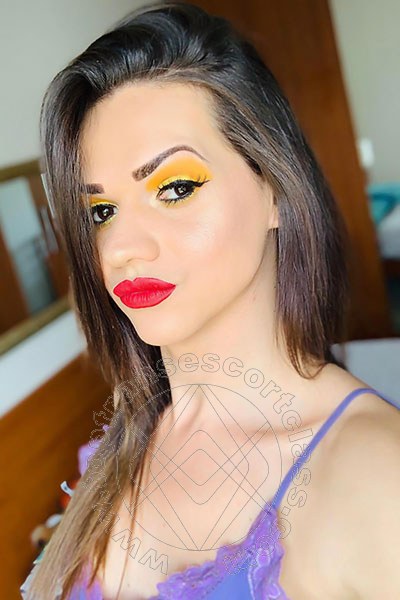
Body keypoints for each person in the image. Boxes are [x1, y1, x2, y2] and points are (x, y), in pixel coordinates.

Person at [21, 1, 400, 598]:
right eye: (101, 211)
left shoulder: (377, 478)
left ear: (274, 189)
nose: (120, 247)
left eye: (174, 188)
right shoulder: (117, 450)